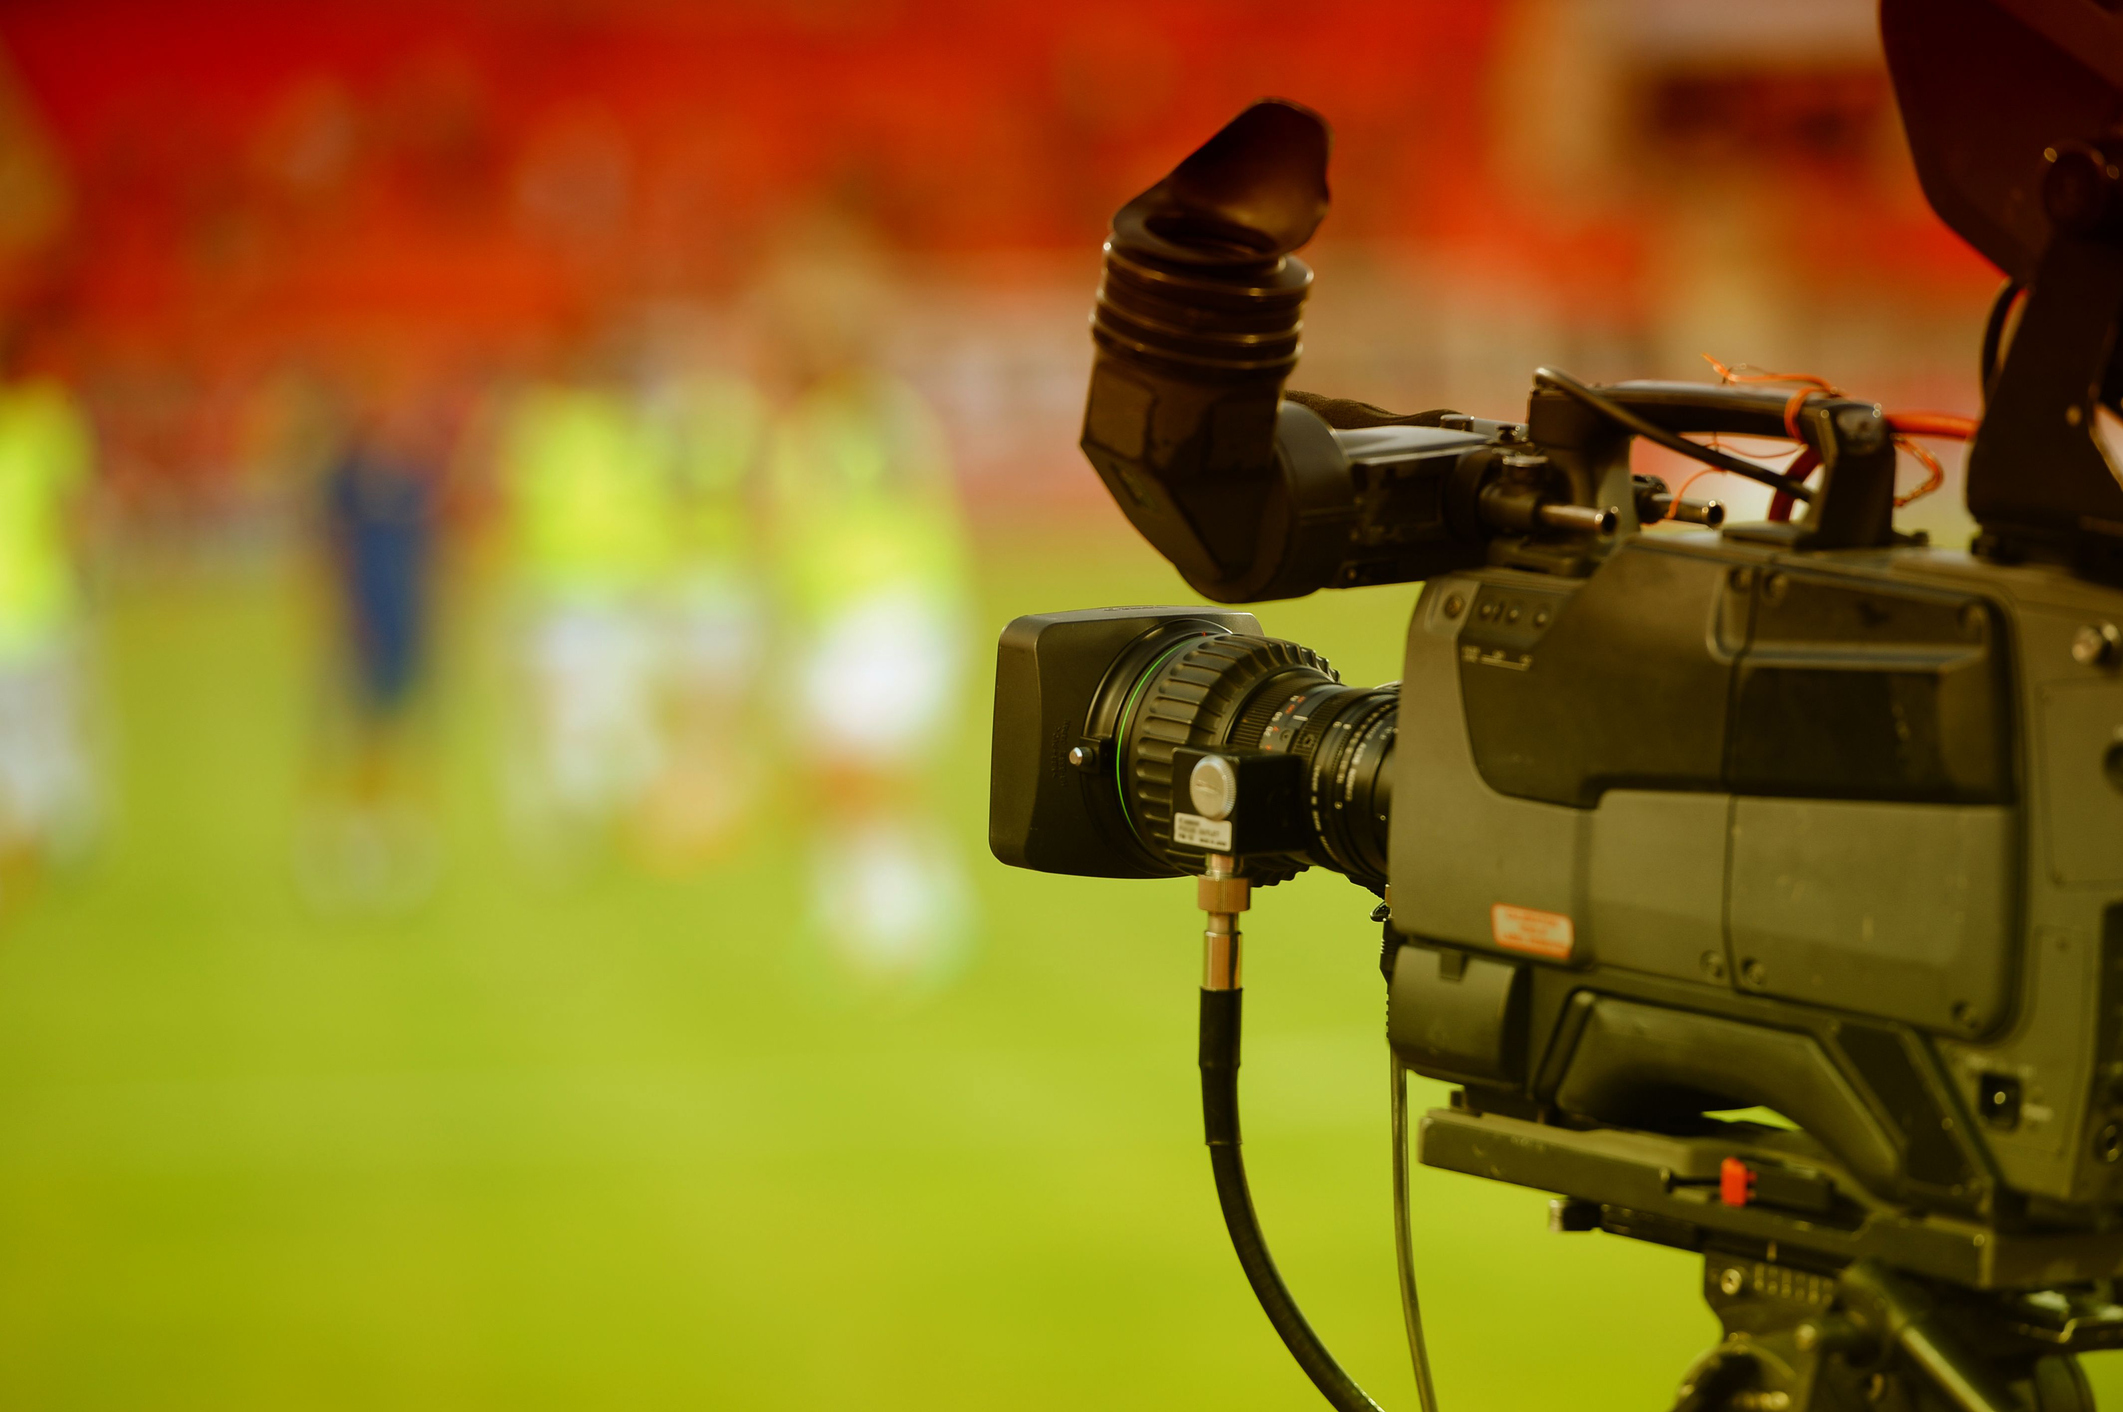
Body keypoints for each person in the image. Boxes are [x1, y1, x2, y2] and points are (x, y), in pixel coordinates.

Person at [762, 227, 977, 992]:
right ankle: (862, 915)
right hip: (857, 619)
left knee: (866, 774)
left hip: (885, 616)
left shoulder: (851, 424)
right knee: (836, 778)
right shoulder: (862, 419)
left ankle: (912, 918)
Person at [495, 351, 673, 863]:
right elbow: (651, 518)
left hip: (568, 591)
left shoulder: (549, 436)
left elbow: (519, 511)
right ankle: (600, 813)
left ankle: (581, 817)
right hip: (610, 592)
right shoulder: (633, 439)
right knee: (615, 706)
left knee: (573, 708)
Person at [295, 388, 449, 912]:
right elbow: (324, 550)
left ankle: (401, 829)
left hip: (403, 616)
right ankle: (342, 833)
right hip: (357, 617)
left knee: (403, 727)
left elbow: (432, 551)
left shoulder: (413, 482)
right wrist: (329, 615)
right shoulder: (344, 482)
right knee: (352, 731)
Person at [0, 348, 98, 881]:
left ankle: (32, 823)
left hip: (28, 607)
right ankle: (49, 828)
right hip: (40, 606)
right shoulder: (47, 425)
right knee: (50, 723)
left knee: (17, 729)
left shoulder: (41, 425)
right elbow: (71, 512)